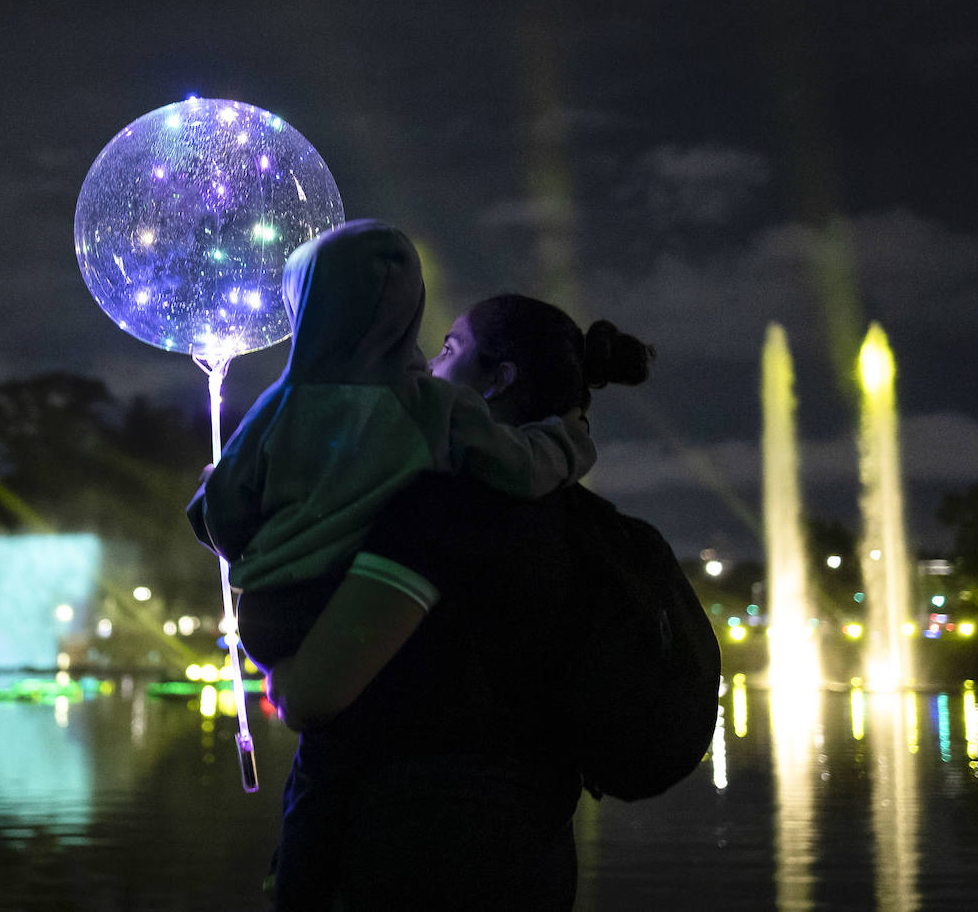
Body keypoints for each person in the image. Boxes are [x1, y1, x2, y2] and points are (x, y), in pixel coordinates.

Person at [265, 294, 655, 910]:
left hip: (411, 857)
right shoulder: (576, 520)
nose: (428, 366)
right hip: (535, 854)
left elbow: (311, 697)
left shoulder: (441, 509)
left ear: (498, 381)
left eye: (450, 349)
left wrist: (275, 659)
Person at [187, 220, 595, 670]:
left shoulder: (276, 406)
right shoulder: (434, 405)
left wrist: (212, 492)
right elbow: (521, 465)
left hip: (269, 612)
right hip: (363, 611)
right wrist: (566, 438)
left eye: (449, 348)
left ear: (305, 305)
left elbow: (224, 510)